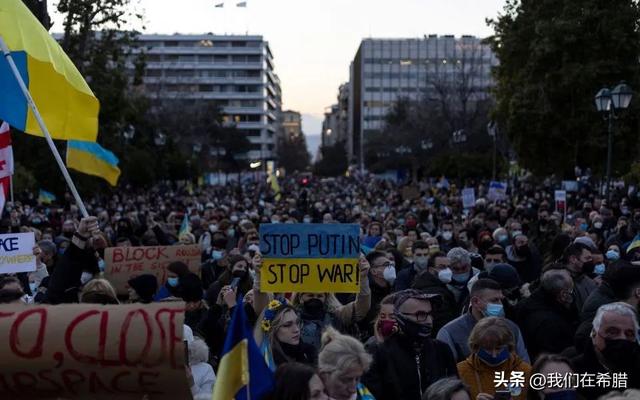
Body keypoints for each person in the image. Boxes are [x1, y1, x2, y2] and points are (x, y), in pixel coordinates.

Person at [363, 289, 456, 400]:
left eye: (430, 314)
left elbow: (455, 390)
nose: (429, 321)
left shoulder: (441, 349)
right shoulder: (379, 353)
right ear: (400, 317)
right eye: (420, 314)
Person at [437, 279, 530, 363]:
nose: (500, 305)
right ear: (475, 302)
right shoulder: (450, 333)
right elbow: (446, 375)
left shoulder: (512, 328)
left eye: (501, 300)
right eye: (494, 300)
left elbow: (524, 364)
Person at [571, 302, 640, 399]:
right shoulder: (572, 372)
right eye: (612, 332)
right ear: (594, 334)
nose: (622, 338)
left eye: (629, 334)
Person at [457, 317, 531, 400]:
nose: (494, 355)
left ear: (509, 346)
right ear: (476, 347)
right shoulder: (461, 372)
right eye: (488, 349)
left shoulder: (525, 371)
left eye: (499, 348)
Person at [516, 269, 579, 361]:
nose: (572, 294)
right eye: (571, 290)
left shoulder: (528, 304)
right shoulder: (550, 323)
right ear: (563, 294)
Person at [254, 298, 317, 370]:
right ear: (273, 330)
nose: (296, 329)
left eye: (297, 322)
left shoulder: (309, 354)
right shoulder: (265, 362)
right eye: (287, 325)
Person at [318, 327, 375, 400]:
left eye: (357, 379)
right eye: (346, 380)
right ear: (323, 375)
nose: (353, 389)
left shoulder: (364, 395)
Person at [412, 250, 459, 333]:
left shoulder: (424, 283)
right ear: (431, 270)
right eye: (442, 267)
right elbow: (443, 320)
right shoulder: (435, 292)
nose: (447, 270)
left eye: (448, 267)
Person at [562, 243, 597, 312]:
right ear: (573, 259)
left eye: (591, 258)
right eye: (587, 258)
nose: (590, 261)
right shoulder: (560, 281)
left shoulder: (587, 279)